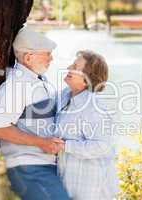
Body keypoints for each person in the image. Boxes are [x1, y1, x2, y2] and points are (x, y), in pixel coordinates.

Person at [0, 27, 70, 200]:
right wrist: (43, 143)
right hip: (28, 168)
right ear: (28, 58)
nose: (51, 58)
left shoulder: (39, 79)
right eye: (46, 54)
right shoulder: (17, 85)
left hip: (43, 166)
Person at [54, 50, 119, 200]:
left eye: (75, 67)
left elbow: (102, 145)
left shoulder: (95, 107)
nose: (69, 67)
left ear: (87, 79)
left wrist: (65, 146)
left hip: (90, 187)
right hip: (68, 181)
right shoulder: (65, 95)